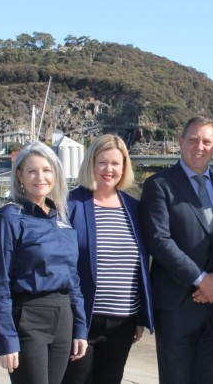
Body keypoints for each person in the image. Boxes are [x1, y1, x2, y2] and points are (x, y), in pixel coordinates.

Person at [139, 116, 213, 384]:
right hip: (175, 304)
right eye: (194, 139)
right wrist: (201, 279)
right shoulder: (159, 185)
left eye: (207, 141)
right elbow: (159, 240)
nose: (200, 146)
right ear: (181, 142)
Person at [0, 141, 88, 384]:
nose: (40, 177)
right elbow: (0, 283)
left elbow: (73, 279)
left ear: (55, 174)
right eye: (32, 171)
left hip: (63, 318)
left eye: (46, 170)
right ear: (20, 175)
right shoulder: (8, 218)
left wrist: (80, 327)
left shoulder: (61, 218)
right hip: (28, 319)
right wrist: (6, 338)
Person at [62, 134, 154, 384]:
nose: (108, 169)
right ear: (91, 163)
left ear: (124, 166)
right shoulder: (71, 204)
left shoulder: (134, 208)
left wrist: (140, 318)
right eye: (102, 162)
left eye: (115, 163)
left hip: (123, 322)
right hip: (83, 320)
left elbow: (140, 268)